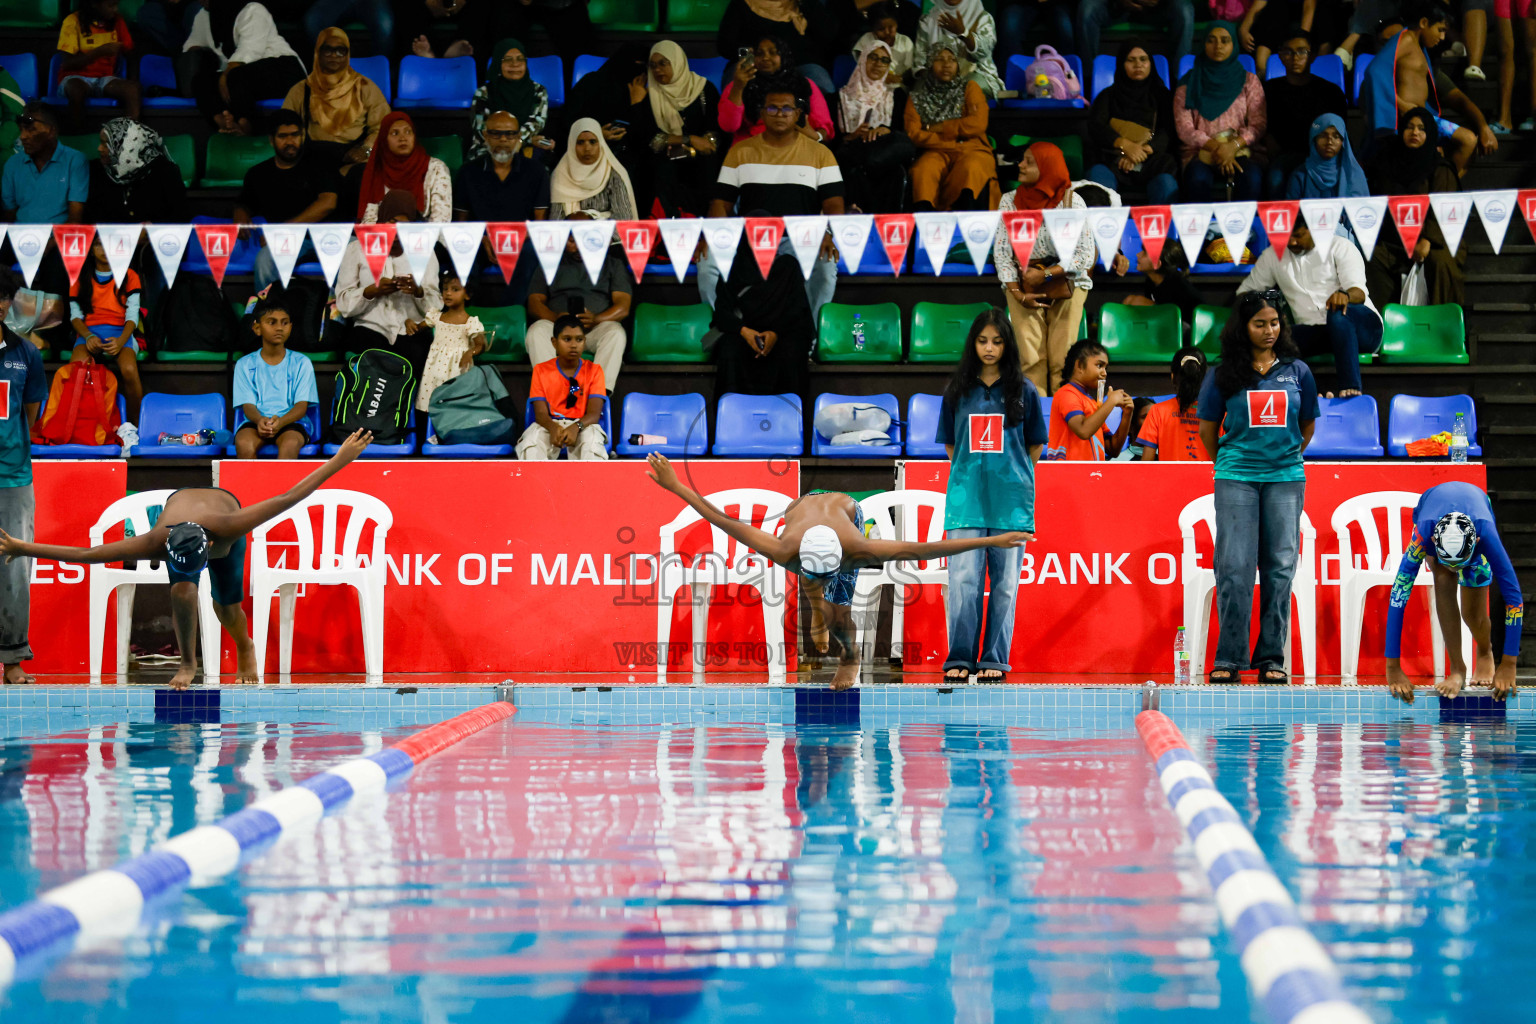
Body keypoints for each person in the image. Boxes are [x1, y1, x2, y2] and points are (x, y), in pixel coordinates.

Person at [0, 430, 375, 689]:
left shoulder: (229, 526)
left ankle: (244, 645)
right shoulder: (155, 541)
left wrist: (341, 459)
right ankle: (187, 662)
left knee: (227, 607)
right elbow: (88, 554)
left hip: (220, 510)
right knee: (182, 593)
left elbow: (289, 497)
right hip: (180, 514)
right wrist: (21, 546)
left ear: (208, 546)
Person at [644, 452, 1030, 690]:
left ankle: (850, 656)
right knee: (820, 598)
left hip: (848, 512)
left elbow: (928, 549)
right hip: (805, 508)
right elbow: (721, 518)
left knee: (838, 607)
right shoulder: (783, 549)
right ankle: (816, 608)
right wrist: (675, 485)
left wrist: (990, 542)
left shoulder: (858, 548)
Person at [1196, 291, 1318, 684]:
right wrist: (1233, 463)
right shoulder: (1222, 373)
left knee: (1280, 570)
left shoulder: (1298, 371)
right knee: (1233, 569)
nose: (1269, 330)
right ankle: (1229, 659)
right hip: (1236, 478)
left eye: (1275, 323)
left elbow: (1308, 427)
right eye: (1260, 323)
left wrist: (1284, 457)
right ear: (1242, 327)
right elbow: (1208, 430)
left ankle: (1271, 658)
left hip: (1285, 478)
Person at [937, 308, 1046, 684]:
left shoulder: (1024, 390)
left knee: (1005, 586)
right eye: (983, 341)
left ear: (1007, 345)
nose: (989, 348)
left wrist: (1009, 475)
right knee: (964, 583)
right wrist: (973, 474)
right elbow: (952, 446)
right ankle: (960, 657)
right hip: (966, 502)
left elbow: (1035, 446)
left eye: (997, 341)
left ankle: (995, 660)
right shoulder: (957, 390)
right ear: (973, 344)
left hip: (1011, 503)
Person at [707, 78, 845, 317]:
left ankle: (809, 340)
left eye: (787, 108)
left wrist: (828, 232)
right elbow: (721, 202)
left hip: (803, 238)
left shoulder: (821, 154)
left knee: (825, 267)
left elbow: (834, 203)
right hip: (749, 240)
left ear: (798, 113)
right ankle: (724, 330)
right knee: (707, 262)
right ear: (762, 112)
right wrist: (714, 236)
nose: (779, 113)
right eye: (772, 108)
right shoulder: (740, 151)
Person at [1385, 482, 1523, 703]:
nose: (1455, 569)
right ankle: (1457, 668)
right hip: (1430, 509)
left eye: (1459, 563)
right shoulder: (1423, 535)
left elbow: (1514, 599)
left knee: (1472, 613)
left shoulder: (1485, 535)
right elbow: (1398, 597)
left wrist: (1509, 663)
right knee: (1443, 578)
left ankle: (1485, 651)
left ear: (1477, 543)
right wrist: (1392, 667)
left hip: (1477, 512)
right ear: (1433, 543)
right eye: (1450, 562)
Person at [994, 142, 1096, 395]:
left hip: (1067, 283)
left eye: (1029, 161)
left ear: (1047, 166)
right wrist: (1018, 293)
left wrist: (1047, 274)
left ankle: (1063, 419)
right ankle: (1037, 423)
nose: (1020, 165)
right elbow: (1002, 253)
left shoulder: (1072, 202)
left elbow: (1085, 254)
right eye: (1022, 160)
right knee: (1030, 360)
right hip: (1024, 284)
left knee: (1063, 360)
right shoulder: (1009, 202)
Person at [1240, 226, 1381, 397]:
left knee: (1337, 315)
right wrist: (1269, 309)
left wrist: (1344, 296)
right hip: (1318, 331)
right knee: (1276, 336)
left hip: (1360, 328)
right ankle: (1315, 393)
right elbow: (1245, 294)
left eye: (1298, 235)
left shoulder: (1340, 246)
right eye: (1287, 236)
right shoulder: (1273, 256)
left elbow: (1358, 292)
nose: (1292, 242)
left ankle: (1350, 388)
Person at [1361, 1, 1497, 173]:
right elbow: (1375, 70)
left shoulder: (1418, 46)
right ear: (1424, 23)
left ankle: (1442, 187)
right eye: (1440, 30)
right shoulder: (1406, 38)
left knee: (1468, 142)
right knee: (1467, 139)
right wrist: (1402, 106)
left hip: (1422, 118)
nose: (1442, 38)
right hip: (1408, 121)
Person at [334, 190, 443, 379]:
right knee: (363, 356)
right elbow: (343, 304)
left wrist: (418, 291)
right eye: (392, 223)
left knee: (420, 355)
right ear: (382, 220)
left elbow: (436, 306)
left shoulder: (423, 251)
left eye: (404, 225)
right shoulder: (358, 249)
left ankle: (414, 408)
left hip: (411, 331)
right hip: (370, 329)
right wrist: (370, 292)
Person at [1365, 108, 1466, 308]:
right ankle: (1384, 328)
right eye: (1409, 127)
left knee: (1440, 263)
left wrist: (1427, 239)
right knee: (1372, 258)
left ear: (1429, 134)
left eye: (1421, 128)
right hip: (1394, 239)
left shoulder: (1440, 167)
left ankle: (1444, 328)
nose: (1415, 132)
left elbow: (1444, 208)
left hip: (1435, 239)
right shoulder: (1388, 164)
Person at [234, 111, 341, 295]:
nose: (290, 141)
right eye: (283, 136)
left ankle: (340, 320)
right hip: (287, 242)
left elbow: (328, 203)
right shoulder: (258, 174)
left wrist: (282, 230)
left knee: (357, 255)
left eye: (295, 135)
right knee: (264, 261)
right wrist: (240, 213)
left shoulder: (321, 162)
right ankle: (268, 316)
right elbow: (244, 203)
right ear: (271, 140)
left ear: (303, 135)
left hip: (331, 236)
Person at [453, 111, 551, 305]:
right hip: (482, 241)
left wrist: (510, 239)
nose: (503, 139)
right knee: (462, 249)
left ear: (519, 137)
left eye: (510, 134)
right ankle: (466, 316)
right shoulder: (468, 172)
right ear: (485, 136)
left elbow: (540, 225)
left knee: (533, 252)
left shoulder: (536, 172)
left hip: (522, 241)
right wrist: (481, 238)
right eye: (496, 134)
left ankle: (511, 312)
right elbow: (459, 224)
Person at [0, 271, 45, 686]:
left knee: (13, 569)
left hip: (11, 475)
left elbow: (29, 414)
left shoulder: (26, 355)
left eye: (2, 297)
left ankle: (12, 660)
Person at [525, 212, 631, 386]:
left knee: (615, 333)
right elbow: (534, 302)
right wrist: (556, 319)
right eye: (572, 241)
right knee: (537, 331)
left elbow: (623, 305)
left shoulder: (612, 263)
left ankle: (598, 397)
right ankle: (554, 393)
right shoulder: (549, 263)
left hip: (594, 330)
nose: (579, 247)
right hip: (557, 331)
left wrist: (596, 319)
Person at [711, 230, 816, 399]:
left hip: (781, 333)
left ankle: (790, 418)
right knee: (729, 350)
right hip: (743, 333)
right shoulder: (732, 268)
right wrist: (744, 331)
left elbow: (797, 312)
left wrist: (775, 333)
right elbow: (722, 312)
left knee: (793, 351)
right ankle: (732, 416)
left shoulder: (788, 266)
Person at [1173, 22, 1267, 202]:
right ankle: (1203, 230)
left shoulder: (1249, 81)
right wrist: (1217, 147)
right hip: (1199, 152)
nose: (1218, 46)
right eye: (1211, 40)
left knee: (1252, 178)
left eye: (1225, 41)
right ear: (1203, 44)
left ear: (1234, 45)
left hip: (1242, 151)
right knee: (1197, 179)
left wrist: (1233, 146)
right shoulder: (1188, 82)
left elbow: (1258, 124)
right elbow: (1184, 129)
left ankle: (1244, 229)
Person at [280, 27, 389, 178]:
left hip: (353, 160)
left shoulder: (365, 87)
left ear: (348, 54)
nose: (334, 56)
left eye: (340, 51)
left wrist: (366, 149)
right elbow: (284, 124)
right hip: (312, 158)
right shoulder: (301, 89)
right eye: (328, 50)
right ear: (318, 52)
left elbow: (384, 126)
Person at [636, 41, 723, 218]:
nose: (658, 70)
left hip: (701, 159)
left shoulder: (704, 89)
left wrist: (692, 147)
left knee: (708, 168)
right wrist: (690, 141)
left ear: (677, 62)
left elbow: (715, 132)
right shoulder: (650, 95)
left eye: (663, 63)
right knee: (662, 171)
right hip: (666, 160)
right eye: (653, 66)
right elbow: (652, 140)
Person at [1086, 43, 1180, 206]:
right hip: (1113, 160)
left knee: (1166, 185)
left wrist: (1140, 152)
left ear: (1151, 63)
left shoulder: (1163, 96)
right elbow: (1096, 127)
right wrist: (1125, 145)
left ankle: (1160, 232)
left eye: (1143, 59)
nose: (1138, 65)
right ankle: (1104, 229)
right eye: (1131, 60)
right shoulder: (1108, 96)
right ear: (1122, 65)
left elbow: (1169, 131)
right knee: (1097, 178)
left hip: (1152, 161)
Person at [191, 2, 305, 136]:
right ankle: (225, 124)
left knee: (236, 76)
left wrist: (225, 76)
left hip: (282, 69)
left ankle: (245, 126)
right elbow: (194, 45)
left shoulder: (254, 9)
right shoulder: (204, 16)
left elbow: (250, 51)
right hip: (245, 75)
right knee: (201, 80)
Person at [906, 45, 996, 211]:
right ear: (930, 64)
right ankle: (927, 229)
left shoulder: (970, 88)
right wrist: (952, 142)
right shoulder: (917, 97)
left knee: (971, 168)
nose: (947, 64)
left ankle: (971, 229)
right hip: (935, 150)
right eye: (939, 59)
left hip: (972, 148)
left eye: (952, 60)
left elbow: (977, 124)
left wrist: (940, 127)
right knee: (923, 171)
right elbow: (914, 134)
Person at [232, 294, 320, 460]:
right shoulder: (244, 364)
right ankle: (250, 487)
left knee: (290, 444)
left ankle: (284, 487)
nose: (279, 327)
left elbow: (301, 407)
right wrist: (260, 420)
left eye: (284, 322)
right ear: (257, 328)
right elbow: (248, 405)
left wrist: (281, 422)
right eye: (272, 322)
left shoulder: (302, 362)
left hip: (293, 423)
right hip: (256, 422)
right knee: (244, 443)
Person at [1260, 32, 1347, 197]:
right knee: (1275, 179)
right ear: (1280, 56)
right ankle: (1282, 222)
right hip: (1282, 154)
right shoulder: (1269, 90)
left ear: (1313, 56)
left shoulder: (1330, 92)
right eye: (1288, 52)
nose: (1294, 57)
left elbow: (1339, 130)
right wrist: (1269, 139)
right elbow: (1261, 124)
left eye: (1301, 51)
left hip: (1320, 154)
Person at [69, 235, 144, 426]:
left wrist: (121, 341)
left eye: (108, 245)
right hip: (89, 332)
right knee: (76, 367)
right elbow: (75, 316)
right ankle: (77, 423)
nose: (103, 249)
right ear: (91, 250)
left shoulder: (130, 275)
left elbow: (132, 315)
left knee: (128, 369)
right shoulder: (79, 277)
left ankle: (136, 425)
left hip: (121, 332)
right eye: (98, 245)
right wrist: (88, 336)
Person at [834, 40, 915, 212]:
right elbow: (831, 140)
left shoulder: (897, 96)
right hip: (851, 154)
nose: (878, 64)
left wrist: (886, 130)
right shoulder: (839, 98)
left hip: (883, 154)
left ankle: (886, 227)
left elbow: (903, 134)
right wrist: (851, 136)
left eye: (885, 60)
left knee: (893, 170)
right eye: (873, 57)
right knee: (853, 166)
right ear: (863, 59)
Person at [517, 314, 609, 462]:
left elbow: (594, 414)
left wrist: (576, 427)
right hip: (550, 424)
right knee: (531, 442)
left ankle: (589, 484)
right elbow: (540, 413)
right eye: (567, 339)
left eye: (579, 339)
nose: (573, 345)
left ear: (584, 342)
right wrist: (553, 428)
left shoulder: (594, 370)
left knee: (592, 441)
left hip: (583, 424)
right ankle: (537, 484)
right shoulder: (541, 370)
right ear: (554, 342)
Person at [719, 35, 837, 146]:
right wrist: (738, 88)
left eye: (773, 52)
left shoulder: (804, 84)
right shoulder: (738, 84)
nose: (765, 57)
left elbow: (826, 129)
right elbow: (729, 126)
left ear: (785, 56)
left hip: (797, 151)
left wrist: (814, 135)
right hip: (751, 152)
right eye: (759, 54)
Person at [718, 0, 838, 95]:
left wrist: (807, 4)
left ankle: (817, 126)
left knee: (821, 86)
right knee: (736, 87)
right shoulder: (742, 4)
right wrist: (752, 57)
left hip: (800, 63)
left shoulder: (804, 4)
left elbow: (828, 37)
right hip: (754, 64)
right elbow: (725, 45)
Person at [406, 271, 485, 413]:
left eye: (455, 289)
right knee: (432, 404)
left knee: (456, 407)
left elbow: (481, 344)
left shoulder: (470, 322)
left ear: (467, 295)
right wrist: (409, 323)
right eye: (445, 289)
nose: (448, 293)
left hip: (457, 370)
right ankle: (431, 434)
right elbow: (418, 328)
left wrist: (470, 352)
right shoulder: (436, 316)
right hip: (434, 369)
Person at [56, 0, 141, 130]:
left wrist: (132, 80)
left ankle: (130, 137)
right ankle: (78, 136)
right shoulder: (72, 21)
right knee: (76, 89)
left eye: (117, 5)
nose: (115, 9)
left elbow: (131, 54)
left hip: (105, 78)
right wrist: (99, 52)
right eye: (111, 5)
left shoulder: (117, 21)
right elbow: (68, 64)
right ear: (95, 4)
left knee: (132, 89)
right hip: (75, 77)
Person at [83, 117, 186, 224]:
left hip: (153, 239)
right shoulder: (96, 170)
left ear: (127, 146)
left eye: (105, 144)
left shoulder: (165, 171)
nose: (99, 148)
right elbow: (89, 217)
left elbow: (180, 216)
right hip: (109, 239)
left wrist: (152, 229)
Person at [1, 103, 88, 226]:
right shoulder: (12, 163)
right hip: (19, 239)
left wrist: (47, 245)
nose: (23, 136)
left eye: (31, 130)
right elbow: (9, 216)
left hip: (57, 240)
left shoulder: (75, 161)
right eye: (21, 130)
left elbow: (74, 220)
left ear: (51, 131)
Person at [357, 112, 452, 223]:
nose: (403, 138)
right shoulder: (375, 169)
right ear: (384, 139)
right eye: (395, 133)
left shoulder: (436, 168)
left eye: (408, 132)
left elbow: (441, 220)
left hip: (423, 235)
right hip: (383, 236)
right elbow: (369, 221)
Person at [1046, 339, 1134, 460]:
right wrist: (1111, 401)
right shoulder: (1067, 394)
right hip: (1068, 476)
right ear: (1080, 366)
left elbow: (1113, 449)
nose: (1104, 373)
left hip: (1091, 476)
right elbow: (1083, 431)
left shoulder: (1092, 403)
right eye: (1099, 365)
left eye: (1105, 368)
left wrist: (1127, 414)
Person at [469, 40, 551, 162]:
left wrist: (519, 142)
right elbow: (482, 131)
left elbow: (536, 123)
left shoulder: (538, 91)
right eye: (507, 60)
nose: (515, 64)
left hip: (525, 148)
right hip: (488, 149)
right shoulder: (484, 92)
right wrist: (518, 142)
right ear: (498, 63)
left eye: (520, 59)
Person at [550, 118, 638, 221]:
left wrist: (597, 234)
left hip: (607, 234)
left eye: (592, 142)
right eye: (580, 142)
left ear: (601, 144)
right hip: (571, 235)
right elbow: (556, 220)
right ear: (572, 144)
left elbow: (624, 217)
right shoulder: (561, 174)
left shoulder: (613, 173)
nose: (587, 148)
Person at [914, 0, 1003, 99]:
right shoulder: (928, 20)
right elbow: (920, 61)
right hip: (937, 77)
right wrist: (935, 77)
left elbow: (985, 52)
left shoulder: (982, 18)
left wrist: (964, 33)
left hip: (977, 74)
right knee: (920, 88)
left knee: (968, 88)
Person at [1136, 347, 1211, 461]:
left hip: (1169, 479)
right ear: (1205, 377)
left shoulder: (1157, 411)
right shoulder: (1218, 412)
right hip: (1210, 479)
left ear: (1172, 377)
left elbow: (1146, 463)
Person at [1078, 0, 1196, 68]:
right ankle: (1088, 82)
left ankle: (1181, 83)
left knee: (1184, 11)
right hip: (1115, 7)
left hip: (1156, 8)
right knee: (1087, 9)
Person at [1237, 0, 1342, 73]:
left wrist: (1302, 38)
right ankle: (1263, 68)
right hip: (1282, 11)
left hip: (1311, 13)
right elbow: (1258, 4)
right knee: (1273, 7)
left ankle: (1320, 68)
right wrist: (1243, 30)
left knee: (1324, 14)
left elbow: (1309, 6)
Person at [852, 3, 915, 81]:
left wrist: (898, 79)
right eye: (881, 29)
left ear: (897, 24)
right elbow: (863, 66)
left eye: (891, 27)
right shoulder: (867, 40)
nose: (887, 32)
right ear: (873, 28)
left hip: (897, 84)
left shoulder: (905, 41)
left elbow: (909, 69)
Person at [998, 0, 1075, 63]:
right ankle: (1014, 73)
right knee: (1010, 24)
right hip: (1023, 3)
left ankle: (1068, 75)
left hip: (1056, 4)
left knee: (1065, 26)